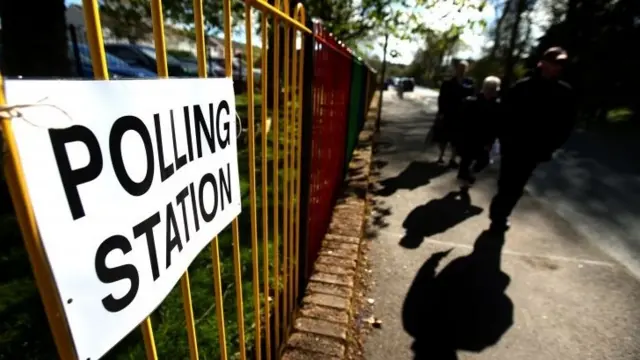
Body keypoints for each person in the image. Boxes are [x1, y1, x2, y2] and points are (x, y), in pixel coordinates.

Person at [489, 47, 577, 232]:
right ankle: (498, 214)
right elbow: (504, 114)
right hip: (512, 146)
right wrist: (503, 139)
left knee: (517, 185)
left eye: (560, 64)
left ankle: (501, 215)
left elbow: (566, 124)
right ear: (543, 63)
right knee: (506, 182)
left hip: (535, 151)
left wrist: (550, 147)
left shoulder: (564, 93)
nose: (557, 67)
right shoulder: (523, 87)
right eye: (554, 63)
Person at [456, 76, 502, 186]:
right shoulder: (471, 102)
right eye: (489, 88)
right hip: (469, 137)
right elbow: (462, 120)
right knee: (466, 160)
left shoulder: (497, 105)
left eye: (494, 89)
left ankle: (469, 174)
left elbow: (497, 125)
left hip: (485, 139)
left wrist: (492, 140)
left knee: (483, 161)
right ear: (484, 88)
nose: (491, 92)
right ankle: (464, 178)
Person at [434, 60, 475, 167]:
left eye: (464, 68)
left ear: (466, 70)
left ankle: (453, 158)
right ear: (456, 69)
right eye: (460, 68)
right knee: (443, 137)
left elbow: (472, 98)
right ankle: (441, 156)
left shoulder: (469, 83)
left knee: (457, 139)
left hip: (461, 116)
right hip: (448, 114)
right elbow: (441, 98)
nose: (461, 70)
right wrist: (441, 112)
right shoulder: (447, 83)